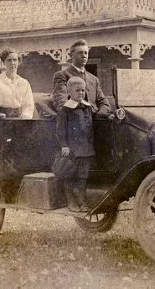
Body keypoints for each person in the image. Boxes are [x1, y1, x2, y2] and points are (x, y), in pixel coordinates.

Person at [55, 77, 95, 212]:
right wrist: (64, 145)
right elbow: (60, 130)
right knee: (69, 175)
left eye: (83, 90)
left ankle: (82, 200)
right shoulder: (65, 110)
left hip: (86, 149)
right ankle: (70, 201)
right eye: (77, 90)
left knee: (83, 176)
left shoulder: (87, 108)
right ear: (69, 91)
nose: (81, 93)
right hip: (72, 149)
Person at [52, 39, 112, 116]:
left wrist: (102, 112)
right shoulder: (62, 75)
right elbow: (60, 100)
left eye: (86, 53)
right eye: (80, 53)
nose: (84, 55)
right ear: (71, 55)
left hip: (96, 119)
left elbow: (103, 101)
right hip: (75, 119)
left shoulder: (94, 79)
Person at [0, 49, 35, 118]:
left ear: (18, 62)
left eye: (15, 60)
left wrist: (25, 116)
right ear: (4, 62)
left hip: (17, 120)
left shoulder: (24, 83)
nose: (12, 63)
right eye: (9, 60)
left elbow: (28, 105)